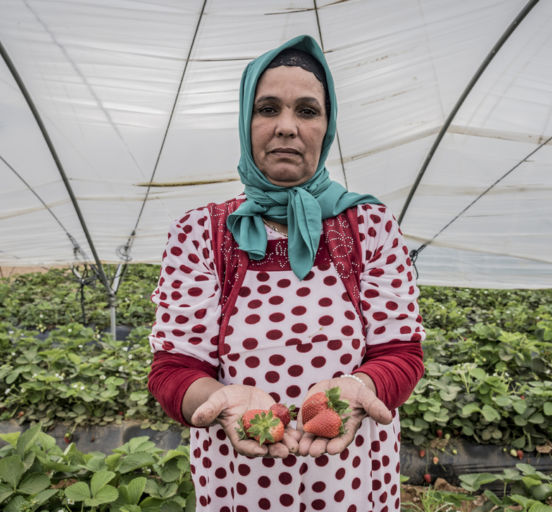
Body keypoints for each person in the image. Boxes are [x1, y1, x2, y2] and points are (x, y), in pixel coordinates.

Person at [148, 34, 425, 512]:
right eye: (268, 108)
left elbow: (400, 352)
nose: (286, 128)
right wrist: (220, 402)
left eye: (307, 111)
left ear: (327, 124)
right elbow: (175, 368)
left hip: (350, 472)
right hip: (242, 475)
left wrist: (360, 389)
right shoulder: (201, 232)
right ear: (245, 121)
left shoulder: (369, 226)